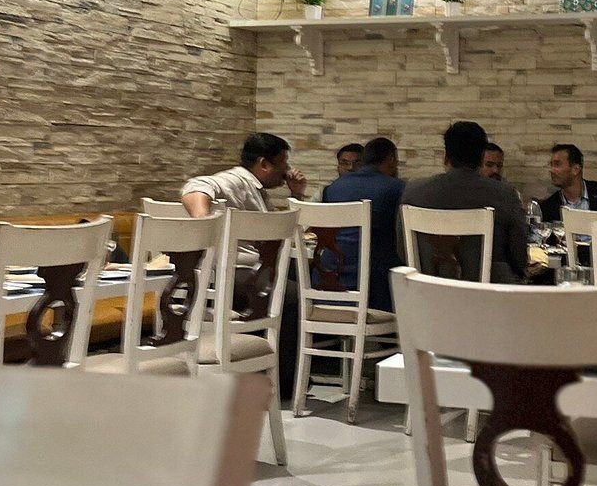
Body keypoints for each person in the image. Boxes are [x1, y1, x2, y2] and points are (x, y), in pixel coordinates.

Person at [180, 132, 307, 397]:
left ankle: (269, 370)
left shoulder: (258, 191)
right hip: (231, 274)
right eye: (283, 162)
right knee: (290, 296)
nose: (287, 169)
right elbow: (196, 186)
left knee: (293, 281)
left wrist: (297, 194)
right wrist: (204, 222)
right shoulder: (238, 180)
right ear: (264, 164)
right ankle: (281, 382)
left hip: (248, 272)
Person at [400, 121, 528, 283]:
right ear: (481, 157)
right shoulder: (505, 194)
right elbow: (519, 258)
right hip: (490, 293)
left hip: (429, 290)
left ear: (446, 156)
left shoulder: (413, 191)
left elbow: (402, 251)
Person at [321, 137, 405, 313]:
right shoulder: (396, 188)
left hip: (328, 281)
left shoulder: (332, 188)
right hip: (374, 290)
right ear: (391, 160)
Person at [538, 143, 597, 223]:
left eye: (557, 164)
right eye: (551, 165)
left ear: (575, 169)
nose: (551, 170)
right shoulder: (548, 207)